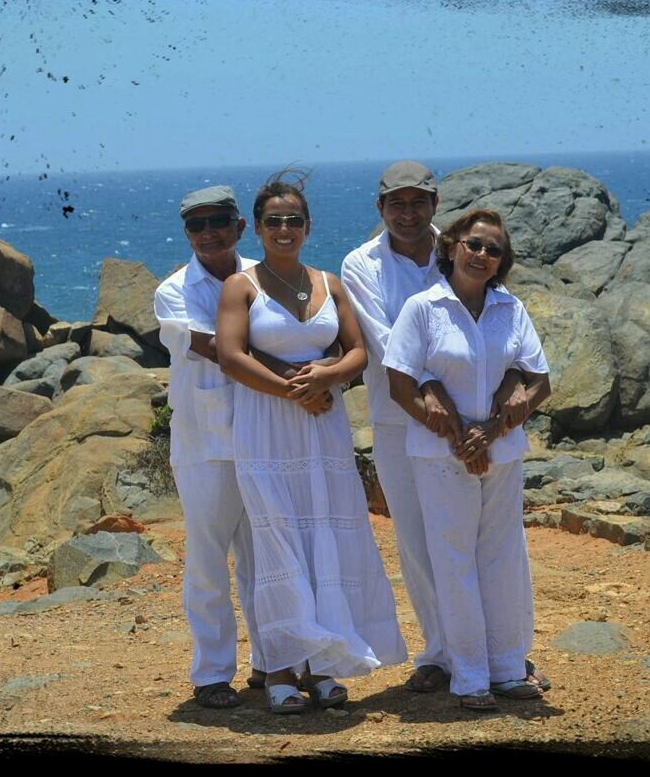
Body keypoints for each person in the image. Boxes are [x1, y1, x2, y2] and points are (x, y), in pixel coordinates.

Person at [340, 161, 545, 695]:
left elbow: (509, 350)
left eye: (418, 202)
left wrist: (484, 426)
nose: (407, 213)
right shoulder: (361, 263)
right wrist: (448, 419)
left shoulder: (460, 250)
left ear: (435, 205)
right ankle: (444, 652)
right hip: (400, 419)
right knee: (421, 542)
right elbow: (389, 344)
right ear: (380, 208)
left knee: (494, 547)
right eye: (396, 204)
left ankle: (499, 655)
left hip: (481, 429)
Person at [216, 172, 406, 714]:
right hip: (266, 429)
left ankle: (324, 664)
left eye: (292, 220)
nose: (283, 228)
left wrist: (325, 380)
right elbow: (231, 357)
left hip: (323, 431)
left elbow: (357, 352)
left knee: (327, 539)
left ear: (307, 226)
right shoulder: (241, 286)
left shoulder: (330, 282)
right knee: (278, 544)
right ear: (256, 228)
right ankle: (279, 667)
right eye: (273, 220)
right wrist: (294, 390)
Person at [383, 206, 552, 711]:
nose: (481, 255)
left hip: (501, 454)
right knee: (454, 561)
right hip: (438, 456)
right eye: (474, 244)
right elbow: (400, 382)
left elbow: (539, 380)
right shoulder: (422, 307)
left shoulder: (510, 309)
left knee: (501, 558)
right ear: (452, 245)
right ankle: (471, 677)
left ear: (503, 261)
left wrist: (492, 430)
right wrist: (455, 435)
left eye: (493, 250)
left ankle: (505, 667)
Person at [154, 184, 292, 709]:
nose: (208, 232)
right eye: (196, 225)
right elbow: (215, 347)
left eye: (218, 221)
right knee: (209, 561)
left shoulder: (268, 274)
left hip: (264, 437)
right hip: (205, 443)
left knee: (266, 557)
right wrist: (286, 370)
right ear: (187, 233)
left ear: (239, 226)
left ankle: (270, 662)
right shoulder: (173, 291)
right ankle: (212, 674)